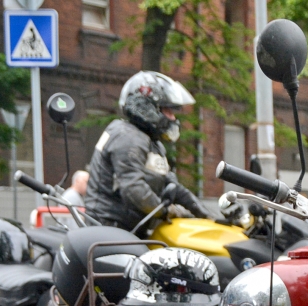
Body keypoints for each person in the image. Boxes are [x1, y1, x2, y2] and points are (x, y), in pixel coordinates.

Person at [85, 71, 213, 233]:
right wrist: (166, 211)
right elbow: (133, 187)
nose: (173, 119)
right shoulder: (127, 136)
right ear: (147, 107)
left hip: (131, 230)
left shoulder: (152, 143)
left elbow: (172, 185)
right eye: (168, 111)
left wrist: (206, 215)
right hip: (108, 230)